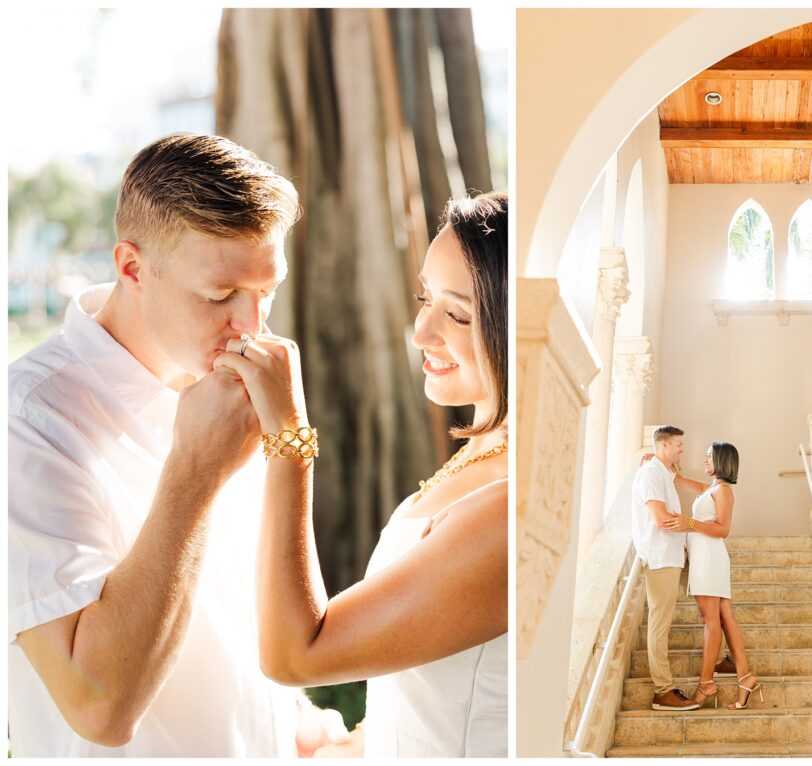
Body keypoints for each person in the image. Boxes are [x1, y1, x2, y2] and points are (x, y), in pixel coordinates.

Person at [8, 133, 346, 756]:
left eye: (266, 292)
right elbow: (98, 706)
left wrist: (300, 725)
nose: (253, 326)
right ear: (132, 267)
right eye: (220, 296)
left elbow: (231, 614)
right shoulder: (28, 422)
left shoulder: (225, 382)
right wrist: (196, 471)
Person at [213, 191, 508, 757]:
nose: (422, 331)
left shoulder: (503, 512)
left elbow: (295, 655)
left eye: (459, 313)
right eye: (425, 297)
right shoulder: (481, 454)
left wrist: (290, 438)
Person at [660, 441, 762, 710]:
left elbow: (723, 529)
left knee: (710, 619)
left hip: (709, 557)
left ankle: (706, 683)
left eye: (709, 457)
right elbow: (680, 481)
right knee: (724, 617)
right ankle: (746, 676)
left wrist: (688, 523)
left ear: (722, 460)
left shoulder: (724, 491)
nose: (704, 460)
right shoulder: (713, 488)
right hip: (706, 556)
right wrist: (661, 463)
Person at [630, 425, 698, 710]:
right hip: (660, 557)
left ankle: (718, 658)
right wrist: (693, 524)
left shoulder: (663, 472)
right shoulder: (650, 474)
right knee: (660, 625)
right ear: (664, 445)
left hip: (675, 553)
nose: (683, 449)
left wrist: (718, 489)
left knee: (710, 602)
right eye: (679, 444)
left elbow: (684, 482)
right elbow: (660, 518)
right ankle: (663, 691)